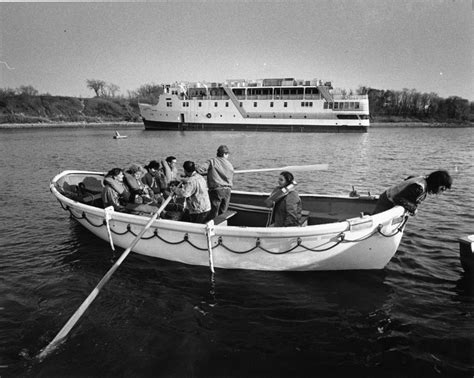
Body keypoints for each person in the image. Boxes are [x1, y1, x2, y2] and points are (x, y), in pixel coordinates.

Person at [372, 170, 453, 215]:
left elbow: (409, 178)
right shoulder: (419, 187)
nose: (441, 192)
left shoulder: (422, 179)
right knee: (376, 219)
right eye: (442, 189)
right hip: (387, 201)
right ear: (436, 184)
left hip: (387, 198)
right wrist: (413, 208)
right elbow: (398, 198)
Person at [196, 145, 234, 220]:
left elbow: (200, 169)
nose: (228, 156)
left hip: (216, 190)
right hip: (227, 190)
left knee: (214, 212)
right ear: (224, 154)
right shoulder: (230, 165)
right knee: (223, 212)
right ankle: (221, 226)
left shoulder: (212, 161)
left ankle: (212, 226)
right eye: (227, 154)